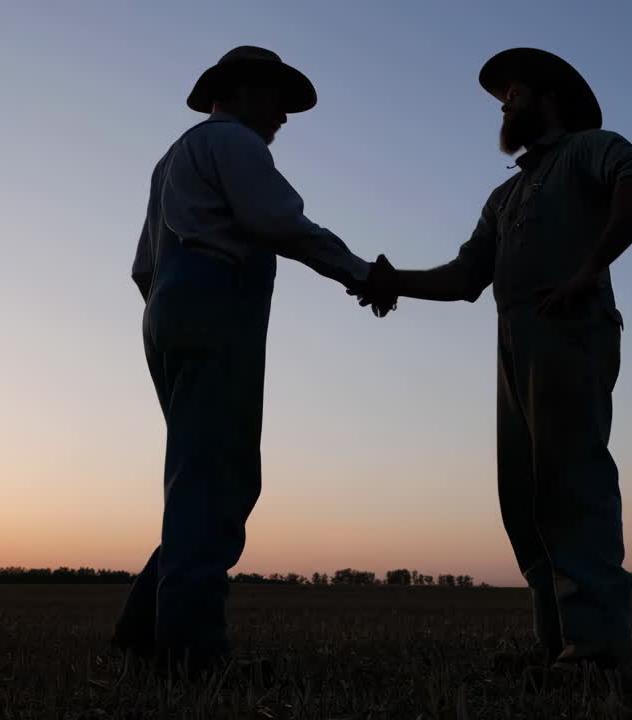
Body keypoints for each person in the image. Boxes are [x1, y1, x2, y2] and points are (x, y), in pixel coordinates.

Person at [355, 48, 632, 675]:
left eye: (512, 93)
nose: (503, 105)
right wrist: (390, 281)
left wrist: (589, 269)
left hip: (569, 327)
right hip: (513, 337)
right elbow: (464, 276)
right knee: (522, 494)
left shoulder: (592, 148)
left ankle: (599, 651)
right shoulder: (505, 193)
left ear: (546, 97)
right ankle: (557, 646)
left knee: (570, 483)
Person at [113, 46, 395, 673]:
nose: (284, 119)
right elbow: (280, 224)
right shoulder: (236, 145)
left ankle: (143, 632)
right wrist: (360, 273)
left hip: (168, 308)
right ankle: (190, 650)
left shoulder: (171, 161)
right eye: (277, 101)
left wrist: (174, 308)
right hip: (217, 301)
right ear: (238, 92)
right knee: (216, 479)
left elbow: (141, 267)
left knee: (201, 474)